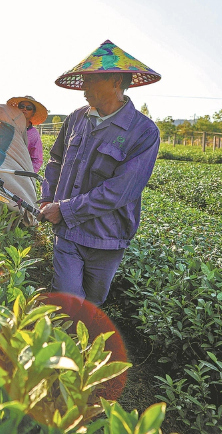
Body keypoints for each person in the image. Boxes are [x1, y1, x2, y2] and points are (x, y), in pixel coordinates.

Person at [38, 40, 161, 306]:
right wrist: (47, 198)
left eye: (91, 80)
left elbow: (122, 189)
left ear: (116, 81)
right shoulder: (76, 118)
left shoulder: (143, 131)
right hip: (67, 232)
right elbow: (56, 160)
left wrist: (66, 209)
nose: (84, 88)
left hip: (107, 237)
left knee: (93, 302)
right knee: (69, 301)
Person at [6, 95, 47, 173]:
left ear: (33, 113)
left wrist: (28, 175)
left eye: (29, 108)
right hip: (2, 168)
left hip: (20, 171)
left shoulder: (34, 134)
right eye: (21, 106)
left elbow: (37, 160)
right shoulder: (7, 127)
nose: (24, 109)